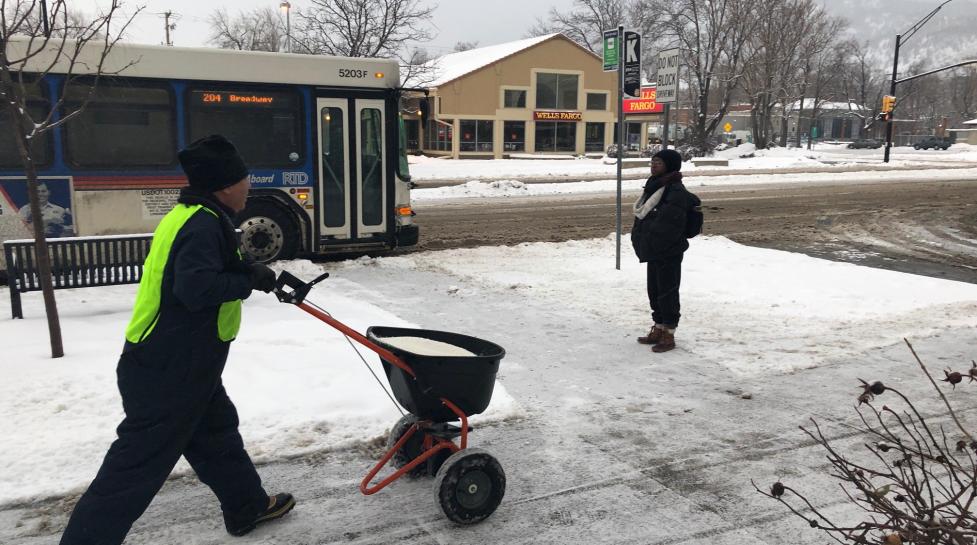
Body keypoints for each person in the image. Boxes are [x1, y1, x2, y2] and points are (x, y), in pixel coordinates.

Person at [60, 135, 293, 545]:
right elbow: (196, 289)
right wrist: (246, 279)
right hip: (168, 366)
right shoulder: (202, 224)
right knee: (137, 465)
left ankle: (246, 506)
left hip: (182, 359)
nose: (249, 186)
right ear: (224, 186)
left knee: (216, 432)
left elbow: (200, 277)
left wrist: (248, 273)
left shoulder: (196, 215)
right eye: (244, 179)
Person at [630, 149, 699, 353]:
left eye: (658, 163)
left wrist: (652, 239)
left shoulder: (675, 190)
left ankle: (669, 333)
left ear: (670, 165)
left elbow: (669, 224)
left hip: (668, 250)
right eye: (652, 162)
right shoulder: (655, 185)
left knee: (667, 292)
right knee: (655, 290)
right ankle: (658, 327)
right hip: (654, 248)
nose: (653, 166)